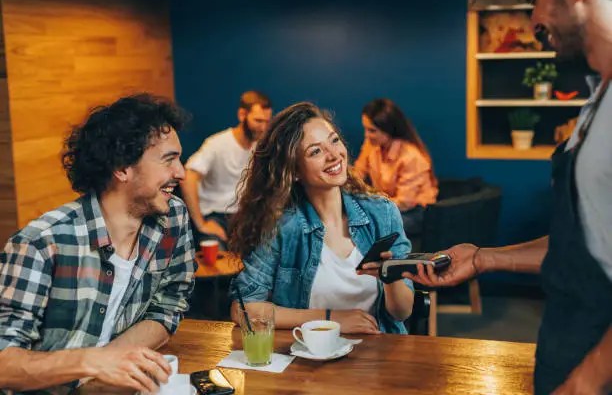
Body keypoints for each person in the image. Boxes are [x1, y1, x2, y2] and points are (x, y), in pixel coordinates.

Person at [406, 0, 612, 393]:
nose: (533, 19)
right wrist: (484, 259)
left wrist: (586, 382)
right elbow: (586, 249)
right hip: (564, 355)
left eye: (536, 0)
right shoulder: (595, 102)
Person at [0, 94, 197, 394]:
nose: (181, 172)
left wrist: (104, 373)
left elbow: (169, 305)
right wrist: (92, 362)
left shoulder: (173, 219)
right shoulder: (41, 244)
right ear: (122, 168)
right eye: (169, 160)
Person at [228, 102, 415, 335]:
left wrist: (391, 276)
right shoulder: (282, 227)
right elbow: (243, 309)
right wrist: (330, 320)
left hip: (380, 353)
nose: (334, 155)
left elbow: (402, 312)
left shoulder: (383, 213)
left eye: (334, 140)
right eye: (315, 151)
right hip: (310, 357)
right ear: (294, 170)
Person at [181, 91, 273, 250]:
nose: (263, 127)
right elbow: (188, 175)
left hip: (244, 216)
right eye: (258, 121)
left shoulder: (260, 147)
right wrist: (201, 224)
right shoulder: (217, 144)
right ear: (242, 115)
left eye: (266, 122)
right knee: (218, 265)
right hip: (214, 216)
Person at [354, 98, 438, 237]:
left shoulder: (411, 156)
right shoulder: (371, 145)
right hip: (387, 205)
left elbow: (404, 203)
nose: (367, 135)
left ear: (388, 130)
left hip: (414, 212)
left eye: (372, 130)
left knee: (374, 228)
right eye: (365, 129)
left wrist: (369, 205)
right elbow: (357, 173)